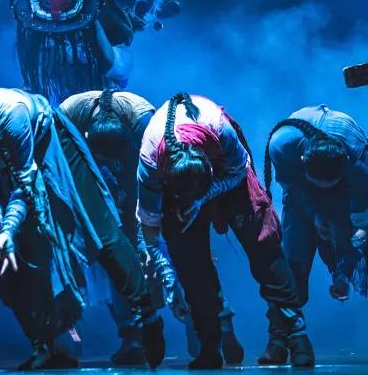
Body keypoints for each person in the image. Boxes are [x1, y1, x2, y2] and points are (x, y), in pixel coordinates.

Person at [0, 88, 165, 370]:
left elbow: (25, 186)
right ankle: (46, 342)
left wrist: (8, 228)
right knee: (11, 256)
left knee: (98, 226)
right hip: (5, 157)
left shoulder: (14, 119)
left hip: (45, 137)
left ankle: (146, 313)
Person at [59, 89, 244, 365]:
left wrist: (152, 241)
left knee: (177, 249)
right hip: (102, 185)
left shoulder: (144, 124)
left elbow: (154, 178)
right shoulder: (68, 116)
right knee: (118, 256)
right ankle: (135, 334)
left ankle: (210, 323)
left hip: (150, 179)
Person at [137, 92, 314, 369]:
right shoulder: (150, 161)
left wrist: (206, 196)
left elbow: (238, 171)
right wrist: (168, 277)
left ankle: (296, 336)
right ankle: (210, 346)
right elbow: (149, 225)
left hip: (226, 172)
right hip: (181, 191)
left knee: (263, 244)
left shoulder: (220, 130)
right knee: (189, 262)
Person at [264, 105, 368, 363]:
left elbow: (362, 214)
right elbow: (292, 191)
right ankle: (281, 340)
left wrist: (354, 246)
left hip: (350, 180)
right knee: (292, 260)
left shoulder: (356, 159)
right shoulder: (282, 145)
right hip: (300, 192)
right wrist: (315, 215)